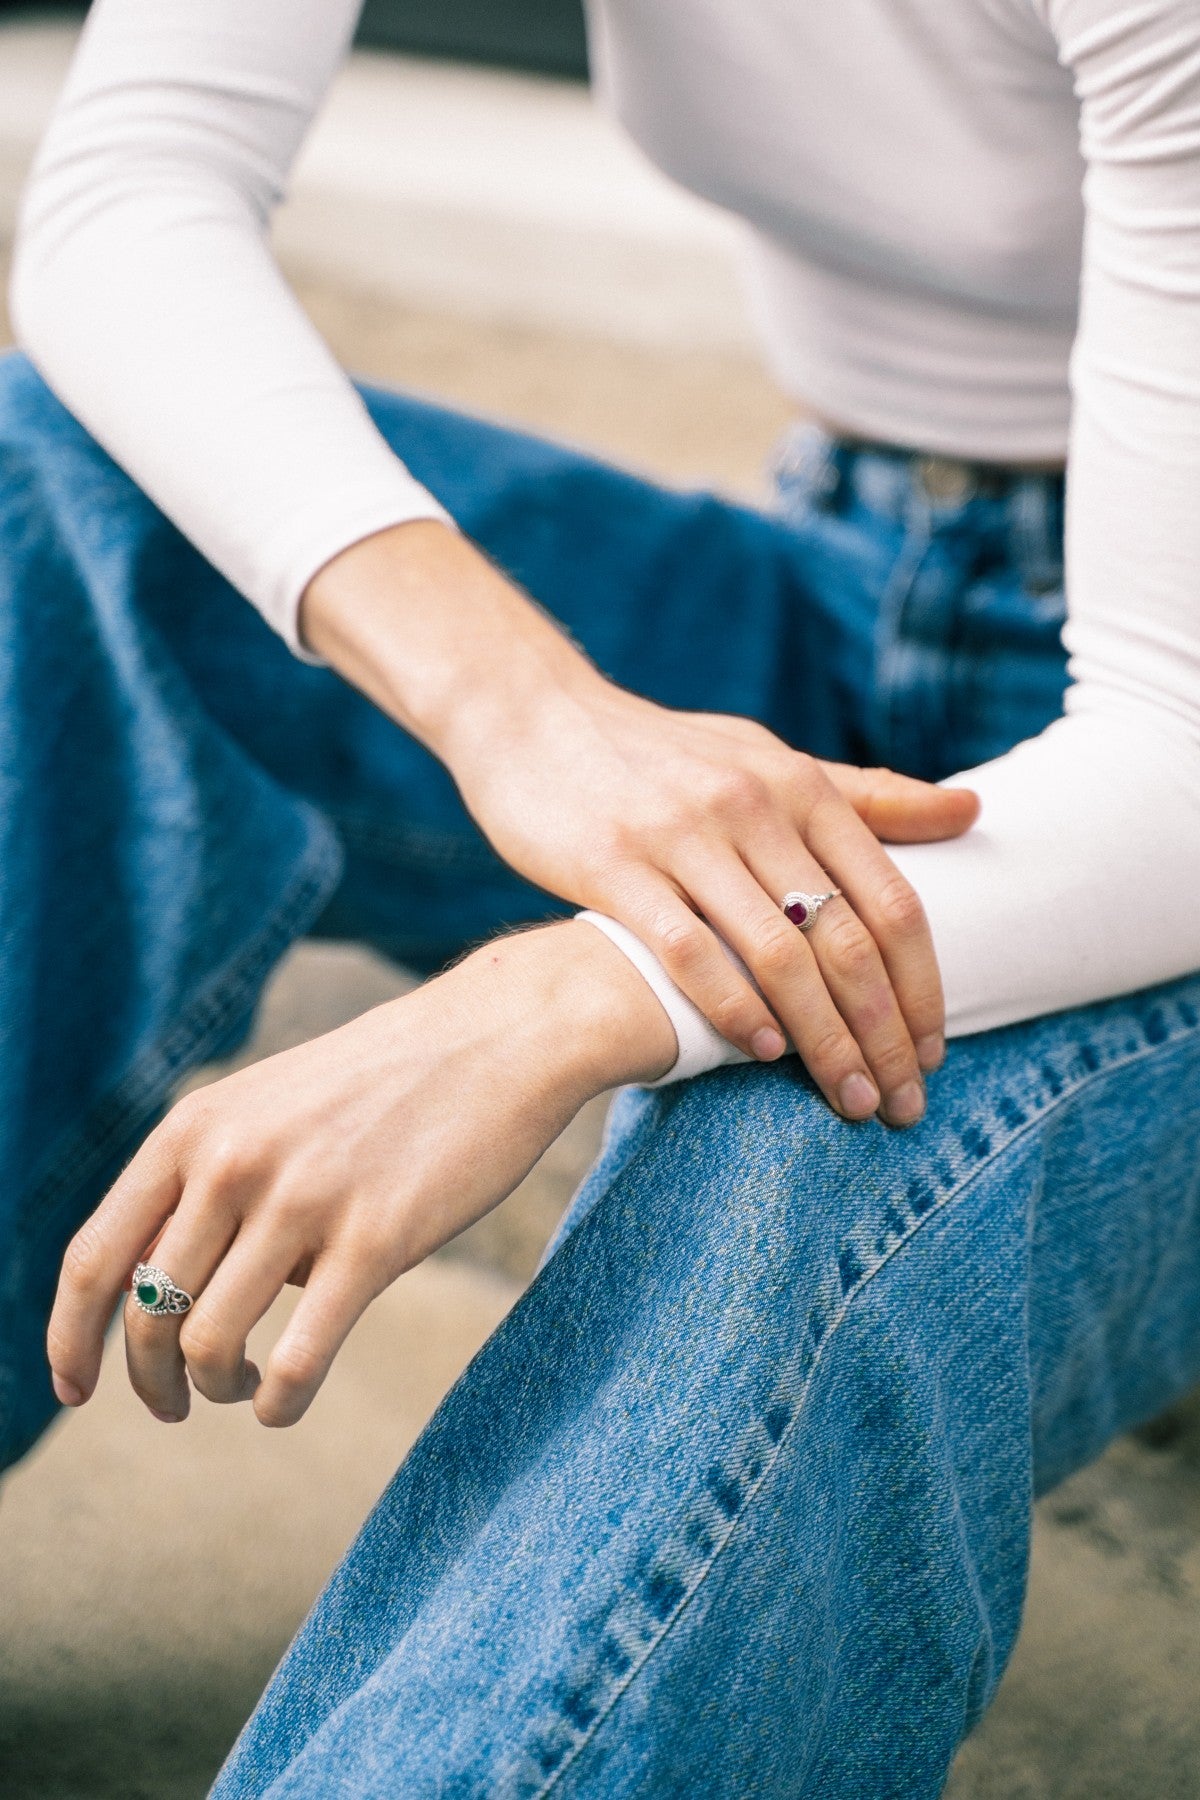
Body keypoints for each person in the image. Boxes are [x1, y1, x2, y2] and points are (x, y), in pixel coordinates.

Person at [4, 0, 1200, 1791]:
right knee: (62, 498)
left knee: (805, 1109)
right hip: (872, 558)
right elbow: (126, 199)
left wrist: (584, 990)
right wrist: (520, 709)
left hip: (1164, 749)